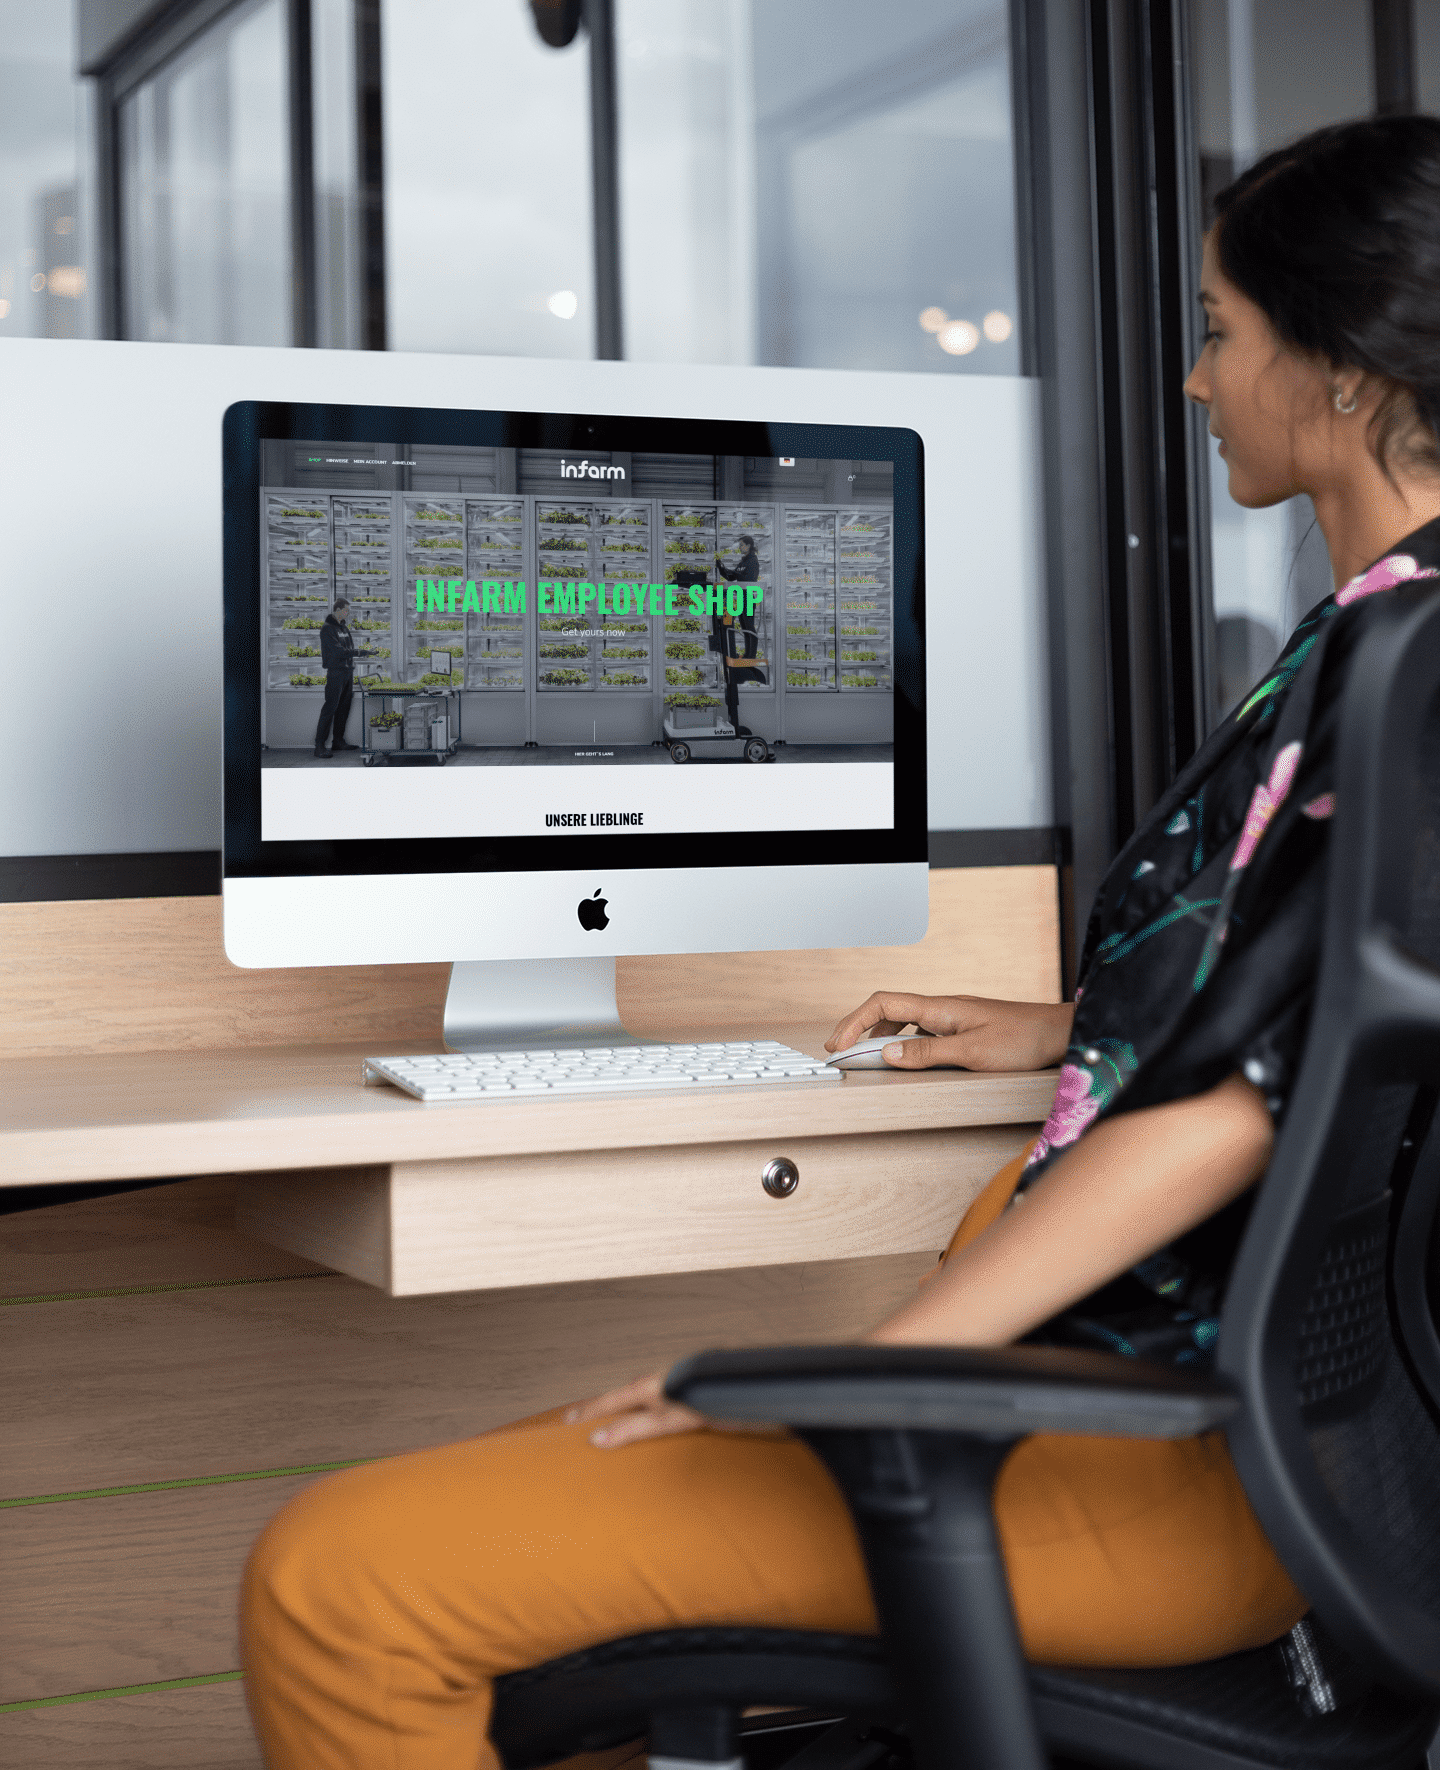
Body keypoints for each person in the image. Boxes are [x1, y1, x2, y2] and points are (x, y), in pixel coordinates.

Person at [243, 116, 1440, 1769]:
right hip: (1282, 1452)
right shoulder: (1397, 648)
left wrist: (864, 1372)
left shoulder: (1386, 675)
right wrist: (1080, 1020)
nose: (1193, 378)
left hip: (1154, 1457)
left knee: (340, 1581)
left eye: (1223, 330)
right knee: (546, 1487)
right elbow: (1328, 1011)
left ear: (1349, 377)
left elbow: (1239, 1103)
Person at [713, 531, 765, 733]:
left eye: (742, 545)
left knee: (748, 628)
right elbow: (733, 575)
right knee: (743, 627)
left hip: (748, 597)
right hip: (739, 597)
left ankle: (750, 656)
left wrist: (734, 577)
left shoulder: (753, 561)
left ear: (749, 545)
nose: (740, 548)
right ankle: (745, 655)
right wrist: (721, 567)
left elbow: (746, 577)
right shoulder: (743, 561)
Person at [313, 599, 369, 757]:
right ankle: (319, 745)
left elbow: (348, 647)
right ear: (336, 609)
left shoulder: (343, 627)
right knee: (330, 708)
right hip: (335, 672)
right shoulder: (327, 629)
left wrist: (355, 655)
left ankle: (338, 741)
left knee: (344, 708)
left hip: (347, 672)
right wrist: (359, 652)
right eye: (345, 610)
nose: (347, 613)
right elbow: (338, 652)